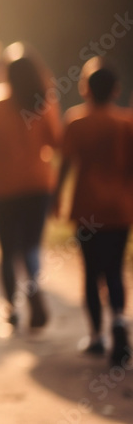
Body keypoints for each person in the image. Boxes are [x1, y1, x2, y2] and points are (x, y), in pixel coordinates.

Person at [0, 43, 59, 334]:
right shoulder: (44, 104)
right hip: (37, 185)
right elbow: (56, 143)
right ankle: (33, 289)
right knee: (31, 246)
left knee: (7, 250)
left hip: (3, 187)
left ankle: (11, 308)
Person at [55, 59, 133, 367]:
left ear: (84, 88)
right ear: (116, 90)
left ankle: (97, 337)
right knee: (114, 270)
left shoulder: (75, 121)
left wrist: (55, 199)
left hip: (87, 208)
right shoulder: (126, 124)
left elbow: (64, 164)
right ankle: (118, 320)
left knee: (91, 272)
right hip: (119, 208)